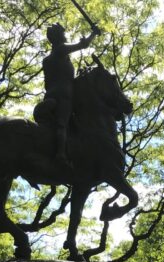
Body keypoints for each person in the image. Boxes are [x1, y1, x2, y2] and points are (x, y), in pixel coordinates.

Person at [42, 22, 100, 163]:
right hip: (63, 96)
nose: (65, 35)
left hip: (52, 93)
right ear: (57, 37)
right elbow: (83, 45)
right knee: (62, 123)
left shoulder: (49, 59)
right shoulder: (60, 50)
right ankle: (60, 154)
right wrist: (94, 33)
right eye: (62, 33)